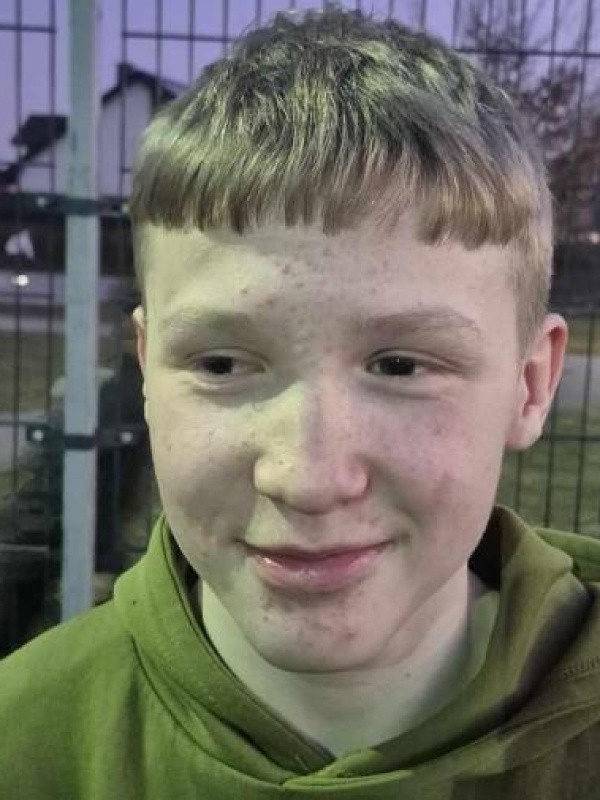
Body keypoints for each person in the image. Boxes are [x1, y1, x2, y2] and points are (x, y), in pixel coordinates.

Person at [1, 4, 600, 797]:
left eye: (399, 366)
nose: (308, 478)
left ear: (530, 384)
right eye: (221, 363)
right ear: (146, 373)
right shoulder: (23, 744)